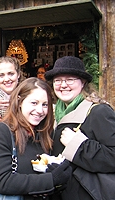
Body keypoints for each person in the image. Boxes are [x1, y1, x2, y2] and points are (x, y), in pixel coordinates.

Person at [0, 77, 72, 200]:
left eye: (45, 105)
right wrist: (51, 179)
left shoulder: (44, 134)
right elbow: (3, 182)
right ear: (20, 102)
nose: (40, 110)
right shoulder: (2, 132)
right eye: (34, 103)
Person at [44, 56, 115, 200]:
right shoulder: (50, 115)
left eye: (70, 79)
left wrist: (79, 145)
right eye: (58, 80)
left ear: (83, 82)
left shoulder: (98, 112)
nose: (63, 85)